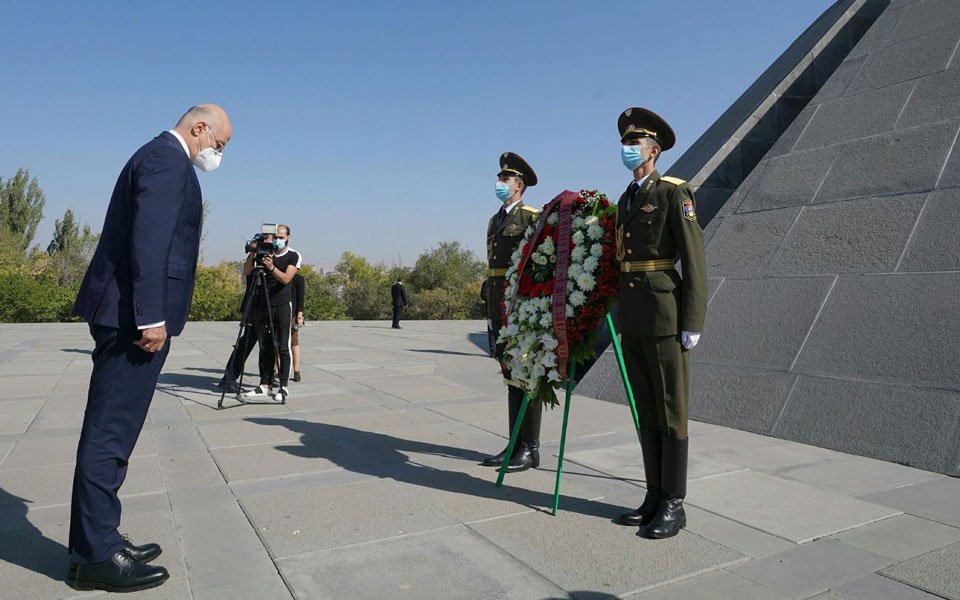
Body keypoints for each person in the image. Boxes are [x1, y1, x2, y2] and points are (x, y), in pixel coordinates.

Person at [70, 104, 232, 592]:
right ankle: (97, 555)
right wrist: (152, 317)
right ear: (198, 126)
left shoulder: (159, 156)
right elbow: (151, 241)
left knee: (113, 430)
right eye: (218, 144)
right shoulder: (167, 159)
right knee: (109, 433)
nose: (217, 154)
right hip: (132, 320)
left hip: (128, 315)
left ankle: (97, 539)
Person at [611, 108, 707, 539]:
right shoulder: (626, 199)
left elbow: (695, 258)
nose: (627, 151)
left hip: (666, 313)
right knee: (646, 409)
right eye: (625, 145)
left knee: (671, 410)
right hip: (633, 315)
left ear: (654, 150)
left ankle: (674, 503)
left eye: (635, 145)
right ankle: (653, 494)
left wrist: (693, 318)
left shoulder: (674, 192)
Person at [479, 152, 542, 473]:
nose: (499, 183)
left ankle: (530, 447)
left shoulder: (531, 217)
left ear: (519, 185)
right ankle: (515, 442)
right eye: (499, 178)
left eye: (505, 179)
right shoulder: (496, 219)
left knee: (526, 373)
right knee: (510, 374)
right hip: (498, 303)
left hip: (520, 305)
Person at [242, 224, 301, 401]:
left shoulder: (293, 255)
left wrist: (271, 267)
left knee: (283, 346)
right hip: (262, 305)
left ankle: (283, 386)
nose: (277, 240)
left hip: (282, 305)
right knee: (264, 346)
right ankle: (264, 384)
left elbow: (286, 279)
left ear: (288, 237)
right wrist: (254, 252)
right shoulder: (265, 252)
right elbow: (247, 271)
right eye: (275, 237)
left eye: (281, 237)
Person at [291, 272, 304, 382]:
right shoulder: (278, 276)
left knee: (294, 342)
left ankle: (296, 370)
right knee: (277, 343)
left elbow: (301, 297)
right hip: (279, 313)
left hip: (292, 315)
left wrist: (299, 316)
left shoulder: (298, 279)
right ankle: (276, 370)